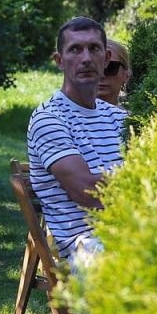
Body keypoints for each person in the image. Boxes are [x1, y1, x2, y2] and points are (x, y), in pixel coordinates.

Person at [27, 17, 126, 271]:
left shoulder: (118, 117)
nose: (86, 58)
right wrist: (149, 187)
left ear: (105, 59)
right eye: (75, 49)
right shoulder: (48, 119)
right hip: (85, 248)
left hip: (129, 234)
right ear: (59, 60)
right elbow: (87, 192)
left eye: (93, 49)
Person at [96, 37, 130, 109]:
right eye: (94, 68)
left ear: (126, 75)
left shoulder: (135, 118)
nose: (101, 75)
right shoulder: (66, 117)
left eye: (110, 68)